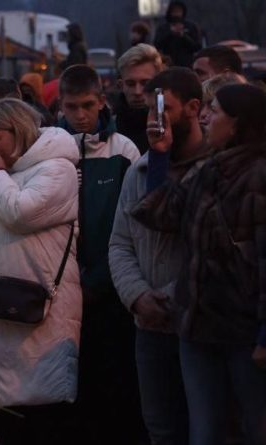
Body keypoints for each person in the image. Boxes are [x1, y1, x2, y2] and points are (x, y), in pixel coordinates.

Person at [133, 82, 266, 445]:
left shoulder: (259, 177)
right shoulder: (209, 171)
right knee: (205, 433)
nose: (206, 117)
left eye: (216, 111)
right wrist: (160, 155)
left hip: (244, 333)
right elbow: (161, 213)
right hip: (198, 330)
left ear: (238, 123)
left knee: (255, 429)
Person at [0, 99, 80, 444]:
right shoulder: (2, 173)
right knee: (1, 417)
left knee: (36, 413)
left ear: (19, 131)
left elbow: (21, 213)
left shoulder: (56, 169)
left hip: (36, 309)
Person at [109, 67, 206, 445]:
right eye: (150, 111)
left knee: (207, 427)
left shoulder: (213, 170)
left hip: (199, 322)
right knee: (161, 428)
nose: (154, 120)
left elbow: (208, 250)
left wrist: (169, 295)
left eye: (163, 110)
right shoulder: (141, 170)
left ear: (194, 108)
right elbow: (120, 242)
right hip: (148, 324)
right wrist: (137, 296)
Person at [58, 64, 142, 444]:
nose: (80, 115)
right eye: (72, 107)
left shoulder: (123, 151)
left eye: (87, 106)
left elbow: (127, 225)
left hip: (110, 289)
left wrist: (101, 282)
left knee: (115, 385)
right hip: (63, 289)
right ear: (60, 105)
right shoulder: (50, 149)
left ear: (102, 101)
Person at [112, 44, 165, 154]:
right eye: (131, 84)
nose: (138, 92)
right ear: (121, 85)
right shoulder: (108, 129)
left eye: (145, 83)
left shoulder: (172, 125)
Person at [154, 1, 202, 68]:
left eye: (179, 11)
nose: (176, 14)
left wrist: (183, 36)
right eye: (174, 11)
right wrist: (170, 34)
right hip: (168, 64)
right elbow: (157, 45)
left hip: (187, 64)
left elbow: (197, 46)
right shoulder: (163, 28)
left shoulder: (190, 26)